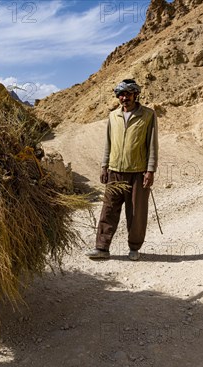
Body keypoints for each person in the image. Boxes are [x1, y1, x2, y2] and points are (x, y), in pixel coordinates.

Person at [86, 79, 158, 261]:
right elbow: (108, 144)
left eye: (128, 94)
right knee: (108, 210)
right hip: (114, 171)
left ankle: (134, 248)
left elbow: (152, 145)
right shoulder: (113, 116)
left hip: (138, 171)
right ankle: (101, 248)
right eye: (121, 95)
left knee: (136, 213)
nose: (124, 98)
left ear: (135, 95)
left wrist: (150, 170)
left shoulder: (148, 115)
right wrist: (104, 166)